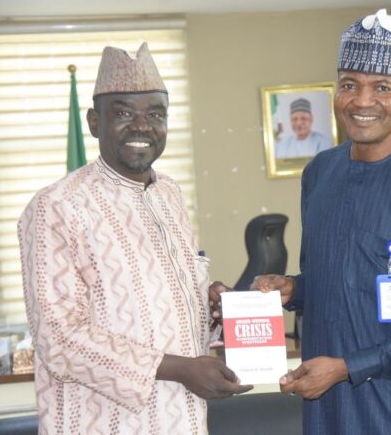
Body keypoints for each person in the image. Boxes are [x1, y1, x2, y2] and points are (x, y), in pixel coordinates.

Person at [253, 9, 391, 434]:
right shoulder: (319, 173)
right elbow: (341, 278)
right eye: (349, 85)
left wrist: (348, 367)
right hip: (327, 409)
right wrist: (294, 289)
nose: (362, 101)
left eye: (381, 87)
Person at [18, 43, 251, 434]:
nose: (143, 126)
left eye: (156, 114)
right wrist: (179, 369)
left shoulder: (169, 194)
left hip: (183, 419)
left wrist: (208, 308)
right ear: (94, 122)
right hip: (103, 423)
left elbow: (157, 306)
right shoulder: (56, 207)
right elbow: (57, 339)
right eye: (124, 113)